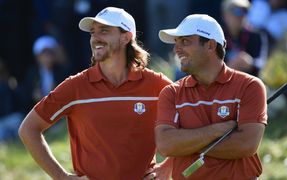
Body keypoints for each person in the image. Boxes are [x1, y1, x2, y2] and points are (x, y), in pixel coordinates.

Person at [19, 7, 172, 180]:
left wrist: (168, 166)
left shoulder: (156, 84)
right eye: (93, 32)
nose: (95, 38)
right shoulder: (76, 86)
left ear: (126, 37)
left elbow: (190, 121)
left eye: (104, 31)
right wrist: (62, 177)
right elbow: (28, 129)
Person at [155, 14, 268, 179]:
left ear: (210, 45)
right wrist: (217, 130)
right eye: (176, 43)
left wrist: (185, 143)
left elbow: (246, 144)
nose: (176, 49)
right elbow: (166, 145)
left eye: (185, 41)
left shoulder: (250, 86)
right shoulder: (171, 93)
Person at [222, 0, 269, 76]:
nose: (240, 15)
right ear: (225, 15)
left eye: (245, 11)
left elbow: (261, 63)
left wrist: (250, 63)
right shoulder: (217, 38)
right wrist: (228, 66)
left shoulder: (256, 35)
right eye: (235, 11)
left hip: (249, 81)